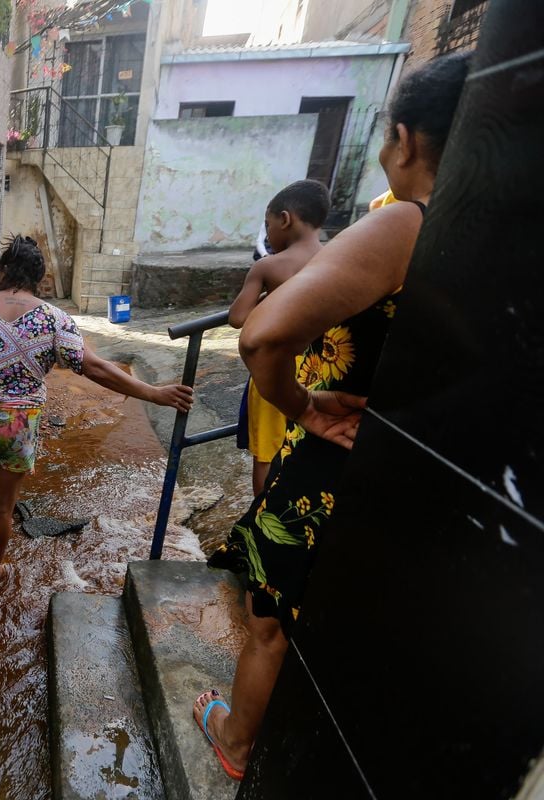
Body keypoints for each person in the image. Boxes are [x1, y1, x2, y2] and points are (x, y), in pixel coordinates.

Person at [194, 53, 471, 781]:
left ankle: (237, 740)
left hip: (337, 457)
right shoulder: (484, 237)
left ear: (404, 141)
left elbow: (258, 332)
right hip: (416, 467)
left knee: (269, 619)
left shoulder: (404, 223)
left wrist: (300, 404)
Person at [0, 235, 194, 588]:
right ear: (39, 278)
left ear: (4, 269)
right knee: (3, 507)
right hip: (18, 422)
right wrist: (153, 393)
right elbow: (95, 368)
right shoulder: (55, 319)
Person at [229, 180, 330, 497]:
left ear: (285, 219)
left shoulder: (268, 267)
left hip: (277, 369)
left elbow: (237, 318)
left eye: (268, 224)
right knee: (305, 439)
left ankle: (261, 521)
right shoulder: (336, 261)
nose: (267, 234)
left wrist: (270, 301)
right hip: (319, 367)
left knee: (266, 453)